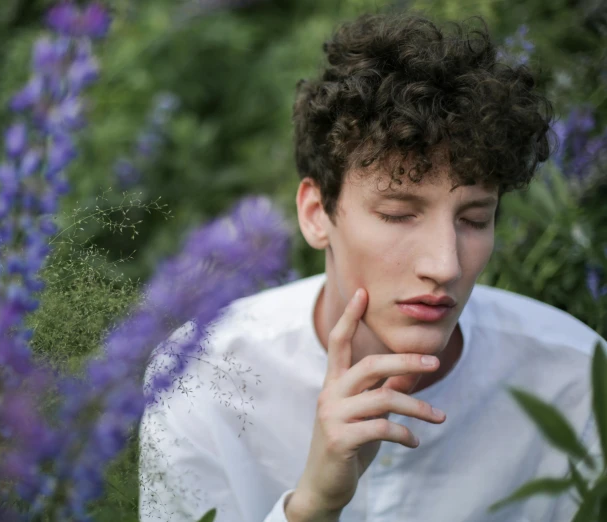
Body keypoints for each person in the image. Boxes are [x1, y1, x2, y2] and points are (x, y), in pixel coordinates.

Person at [138, 11, 606, 522]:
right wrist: (311, 508)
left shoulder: (578, 377)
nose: (444, 264)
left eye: (474, 219)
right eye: (398, 214)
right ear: (317, 215)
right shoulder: (201, 376)